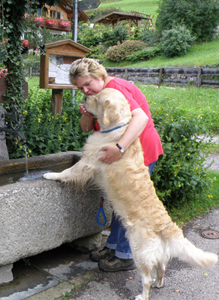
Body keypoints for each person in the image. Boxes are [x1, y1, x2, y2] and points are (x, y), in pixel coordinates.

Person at [68, 58, 163, 272]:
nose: (85, 90)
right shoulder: (98, 95)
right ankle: (113, 247)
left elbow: (141, 118)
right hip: (122, 153)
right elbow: (86, 128)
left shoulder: (115, 89)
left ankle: (125, 255)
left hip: (139, 151)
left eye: (87, 84)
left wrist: (119, 148)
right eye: (79, 87)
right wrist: (87, 115)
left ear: (99, 76)